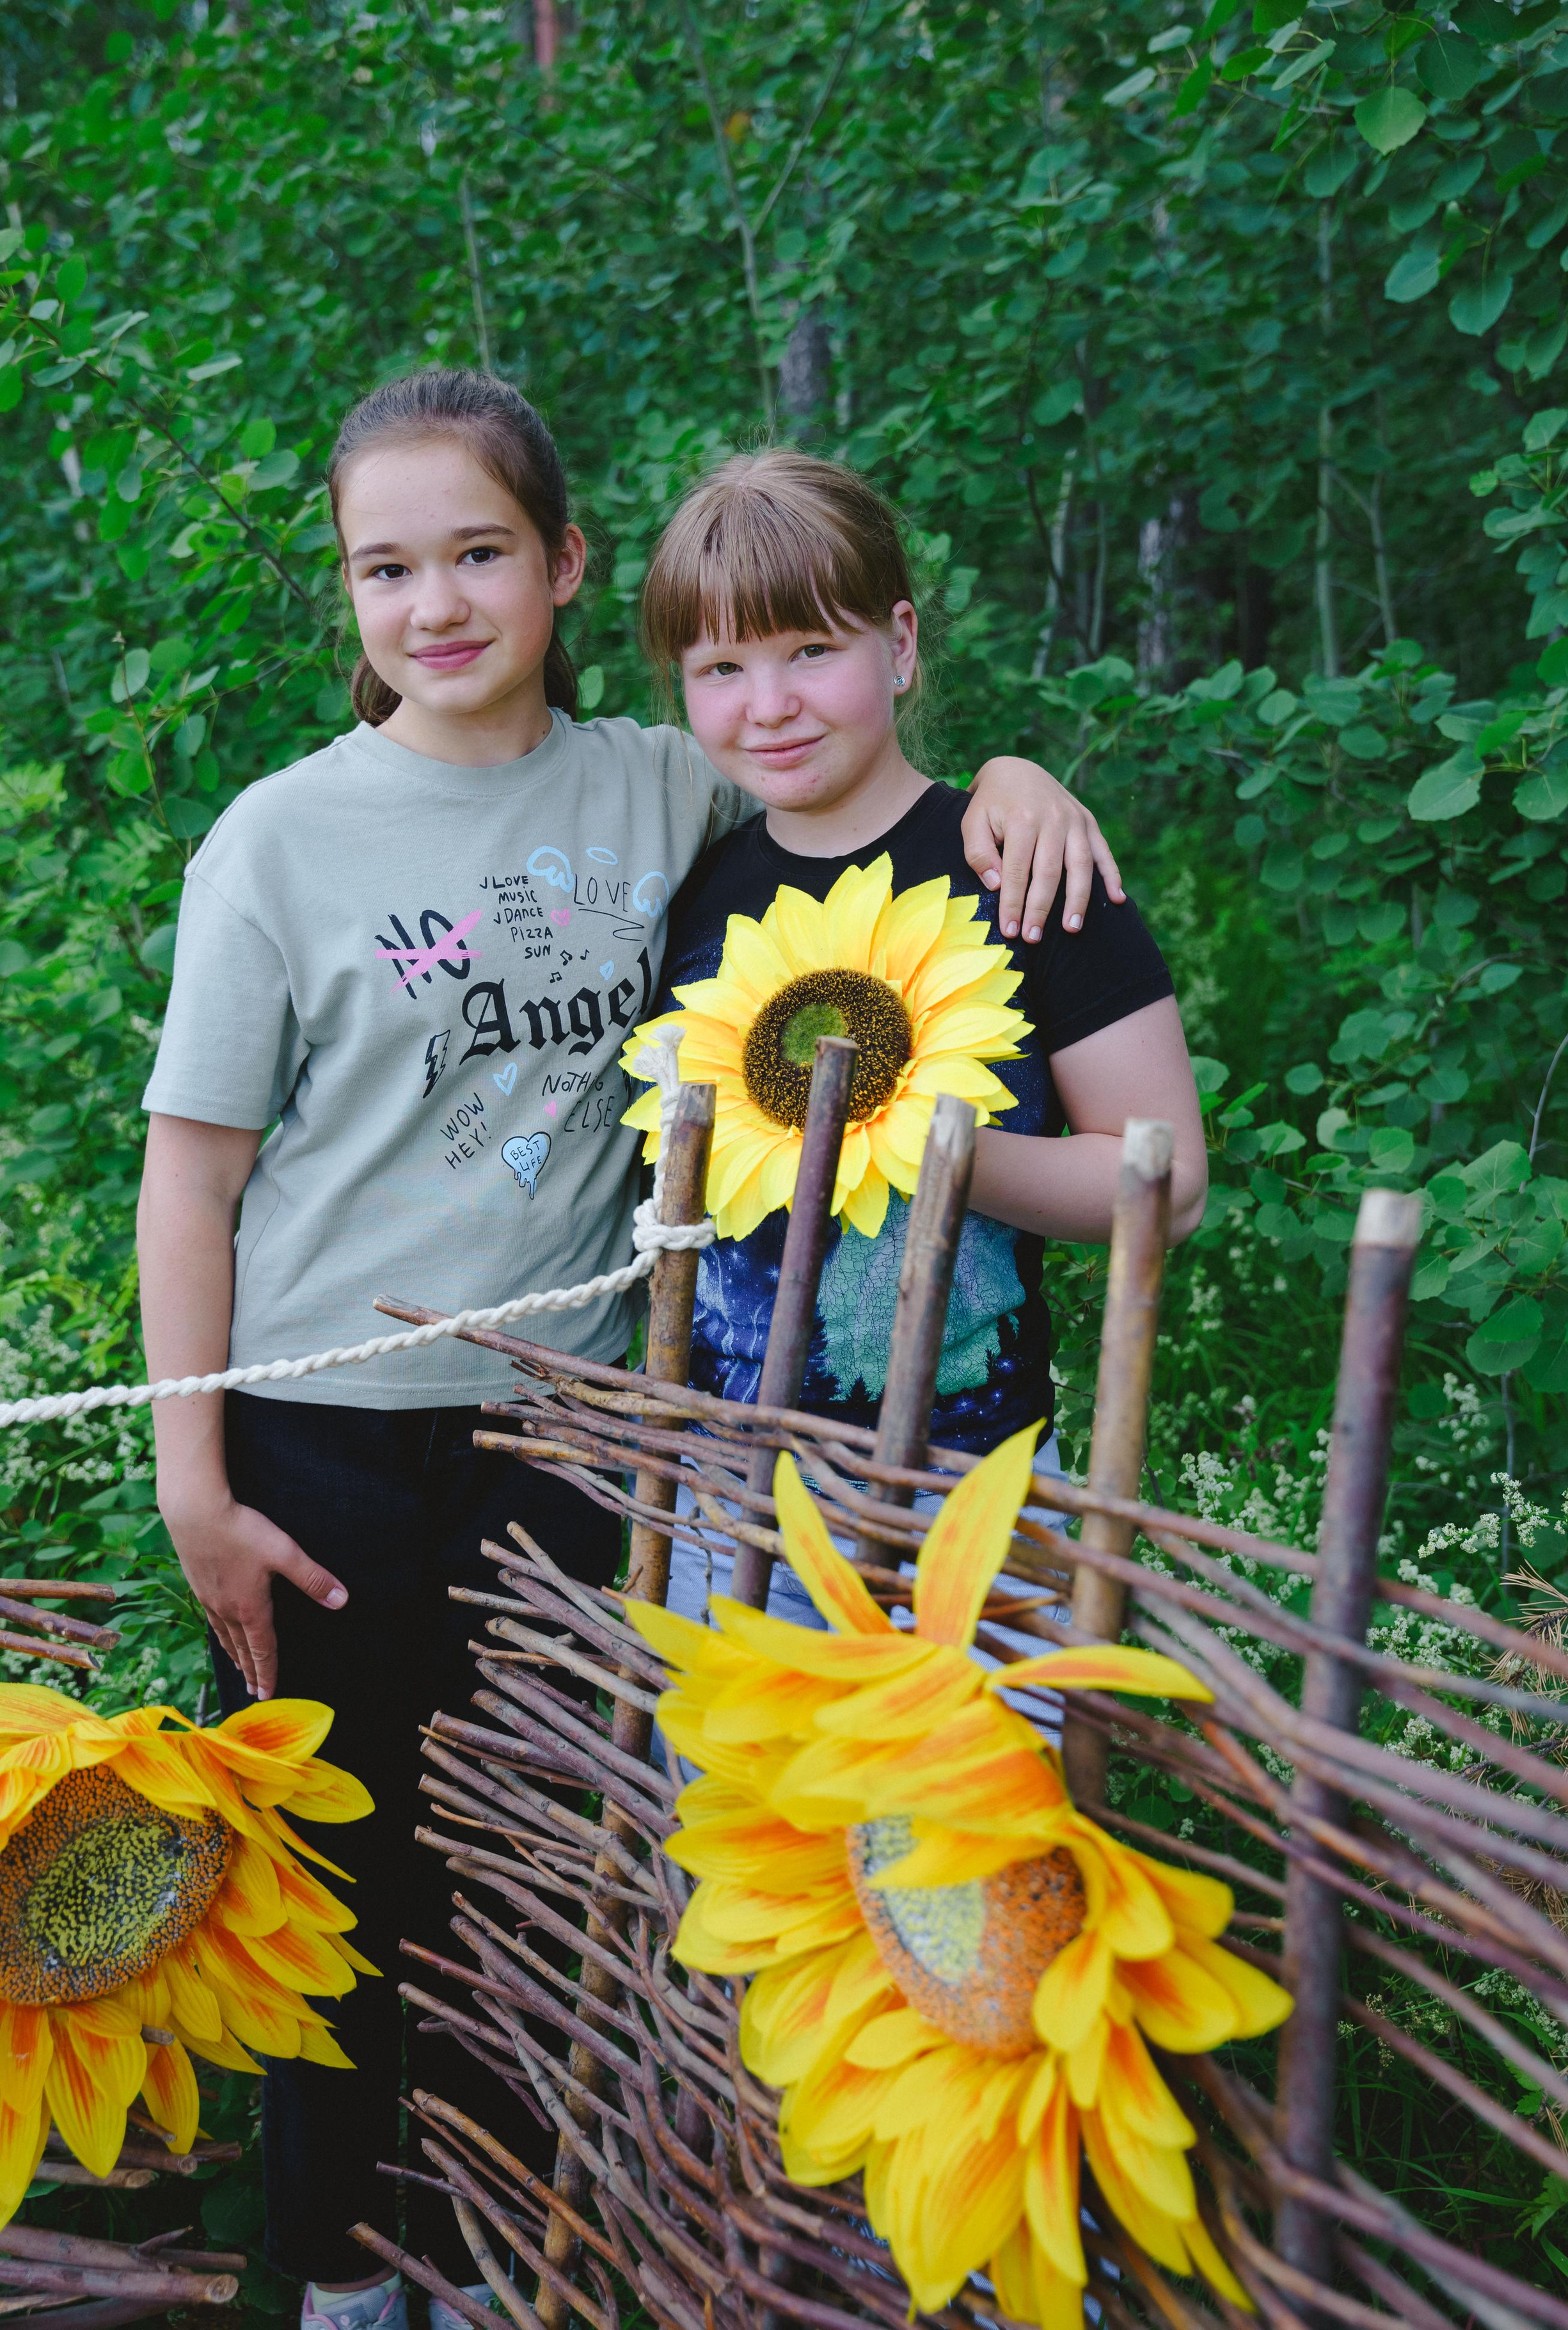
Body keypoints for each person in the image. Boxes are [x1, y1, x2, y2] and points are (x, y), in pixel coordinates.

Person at [134, 370, 1125, 2330]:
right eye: (385, 568)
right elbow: (190, 1181)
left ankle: (500, 2260)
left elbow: (842, 773)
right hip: (329, 1439)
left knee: (538, 1873)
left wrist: (1017, 779)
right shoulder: (280, 842)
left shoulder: (657, 785)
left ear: (567, 567)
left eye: (479, 554)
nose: (435, 604)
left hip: (582, 1439)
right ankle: (340, 2277)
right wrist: (200, 1485)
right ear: (346, 594)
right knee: (339, 1887)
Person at [622, 448, 1208, 1638]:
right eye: (721, 667)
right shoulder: (688, 901)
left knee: (962, 1824)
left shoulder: (1024, 870)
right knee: (744, 1821)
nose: (770, 704)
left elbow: (1167, 1181)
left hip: (974, 1506)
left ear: (899, 644)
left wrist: (906, 1143)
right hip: (728, 1513)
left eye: (811, 652)